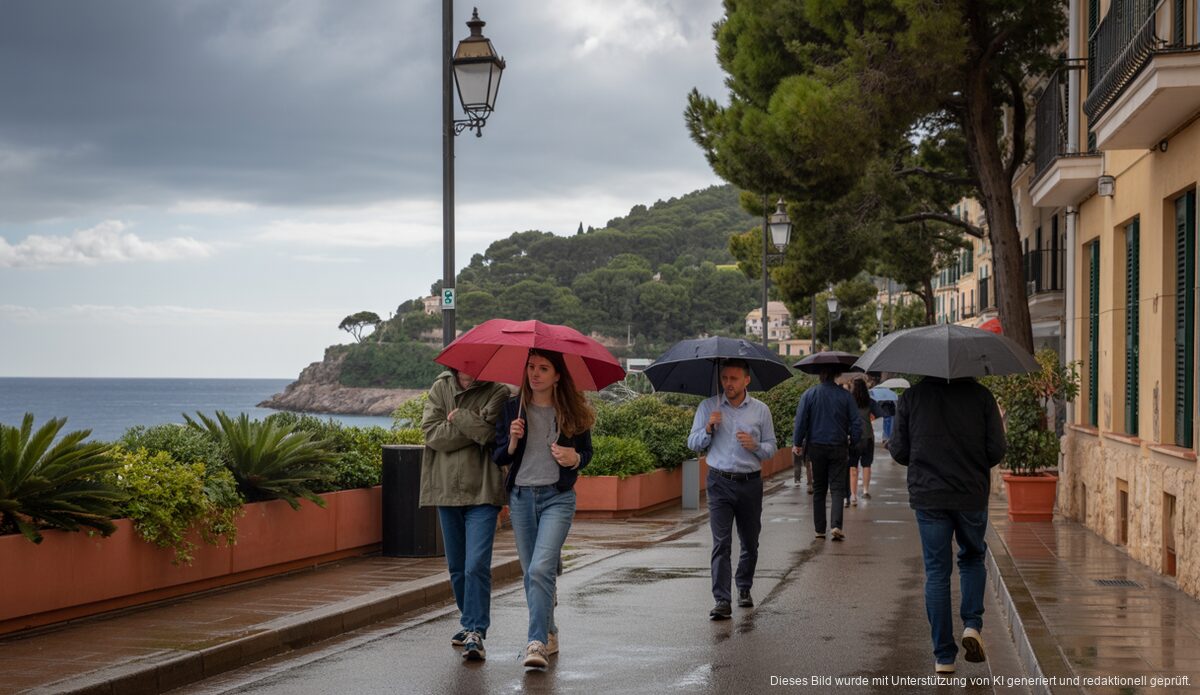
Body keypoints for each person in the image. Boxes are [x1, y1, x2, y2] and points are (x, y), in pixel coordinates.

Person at [887, 376, 1006, 674]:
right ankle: (971, 625)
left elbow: (899, 451)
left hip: (929, 496)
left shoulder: (912, 398)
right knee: (972, 557)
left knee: (937, 572)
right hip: (971, 494)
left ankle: (944, 656)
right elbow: (997, 450)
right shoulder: (982, 396)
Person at [494, 348, 594, 670]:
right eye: (531, 367)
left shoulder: (571, 412)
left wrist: (574, 458)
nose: (535, 374)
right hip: (521, 499)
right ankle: (549, 630)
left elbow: (587, 452)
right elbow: (499, 457)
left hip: (557, 498)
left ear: (557, 376)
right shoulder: (513, 409)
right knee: (532, 573)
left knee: (538, 570)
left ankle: (535, 643)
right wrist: (511, 441)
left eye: (543, 368)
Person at [419, 368, 511, 661]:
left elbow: (490, 435)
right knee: (457, 567)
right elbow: (433, 434)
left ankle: (476, 630)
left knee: (476, 565)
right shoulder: (440, 387)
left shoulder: (498, 391)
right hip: (446, 489)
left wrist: (457, 415)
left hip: (483, 490)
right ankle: (468, 621)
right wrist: (474, 420)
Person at [687, 360, 777, 620]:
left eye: (734, 378)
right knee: (721, 543)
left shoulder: (761, 411)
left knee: (750, 541)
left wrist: (756, 446)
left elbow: (772, 447)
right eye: (724, 378)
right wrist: (707, 429)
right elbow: (692, 443)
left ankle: (744, 587)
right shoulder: (708, 407)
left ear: (746, 380)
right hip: (719, 482)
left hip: (750, 482)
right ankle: (722, 600)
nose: (728, 383)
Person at [791, 366, 860, 541]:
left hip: (816, 447)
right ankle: (836, 525)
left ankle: (820, 529)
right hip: (839, 446)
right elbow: (856, 422)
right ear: (837, 374)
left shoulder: (809, 394)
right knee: (837, 488)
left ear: (820, 375)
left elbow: (800, 421)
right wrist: (855, 441)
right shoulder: (846, 396)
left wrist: (797, 443)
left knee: (819, 488)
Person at [846, 379, 885, 506]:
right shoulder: (870, 402)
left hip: (853, 438)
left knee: (853, 467)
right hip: (868, 437)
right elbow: (880, 413)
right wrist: (870, 417)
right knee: (866, 465)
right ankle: (865, 490)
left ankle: (853, 495)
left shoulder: (849, 402)